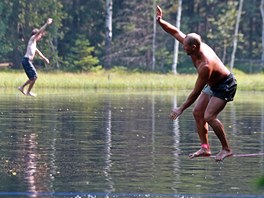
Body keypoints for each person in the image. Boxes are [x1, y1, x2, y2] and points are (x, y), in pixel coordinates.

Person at [156, 6, 237, 161]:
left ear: (193, 47)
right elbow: (174, 32)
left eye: (185, 46)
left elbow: (196, 92)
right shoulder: (191, 44)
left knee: (209, 116)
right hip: (214, 84)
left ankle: (226, 149)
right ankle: (205, 148)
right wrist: (160, 21)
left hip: (225, 85)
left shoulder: (205, 66)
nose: (183, 47)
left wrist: (180, 108)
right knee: (197, 113)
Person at [18, 18, 53, 97]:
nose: (40, 37)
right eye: (40, 35)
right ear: (37, 35)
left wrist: (45, 59)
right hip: (26, 61)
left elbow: (38, 53)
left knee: (33, 77)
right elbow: (40, 31)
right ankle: (27, 91)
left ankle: (22, 87)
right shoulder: (32, 39)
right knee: (34, 77)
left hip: (27, 61)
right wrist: (47, 23)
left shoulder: (34, 44)